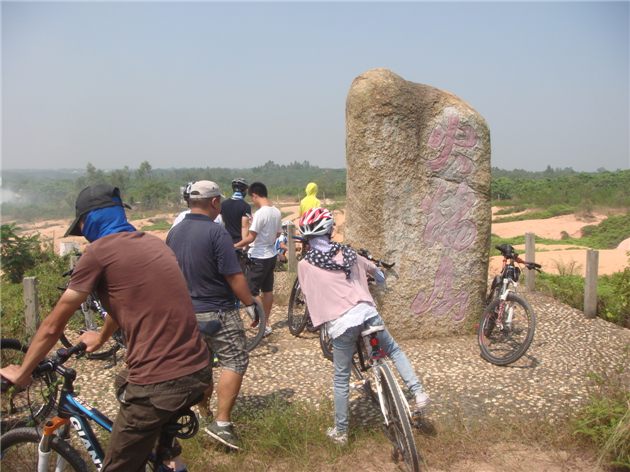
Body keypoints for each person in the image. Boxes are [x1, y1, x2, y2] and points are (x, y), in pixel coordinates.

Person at [0, 184, 211, 472]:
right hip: (198, 367)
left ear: (87, 221)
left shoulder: (98, 252)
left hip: (160, 382)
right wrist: (100, 337)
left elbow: (52, 326)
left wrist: (23, 372)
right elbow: (125, 301)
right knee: (123, 381)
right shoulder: (154, 243)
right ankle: (168, 455)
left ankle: (158, 450)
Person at [297, 207, 430, 446]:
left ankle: (341, 432)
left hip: (341, 324)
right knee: (394, 350)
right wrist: (378, 280)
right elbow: (376, 272)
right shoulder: (348, 253)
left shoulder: (306, 264)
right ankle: (418, 392)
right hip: (368, 314)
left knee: (341, 377)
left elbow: (308, 295)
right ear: (329, 231)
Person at [166, 181, 259, 450]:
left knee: (202, 365)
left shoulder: (174, 232)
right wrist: (249, 303)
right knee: (235, 360)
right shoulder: (216, 232)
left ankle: (203, 413)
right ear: (215, 202)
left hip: (186, 312)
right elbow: (233, 275)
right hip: (218, 311)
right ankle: (222, 423)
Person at [235, 182, 282, 336]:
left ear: (254, 195)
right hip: (271, 254)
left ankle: (261, 323)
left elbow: (251, 237)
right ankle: (266, 323)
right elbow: (278, 234)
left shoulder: (261, 213)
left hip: (258, 256)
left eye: (252, 198)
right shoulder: (276, 211)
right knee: (267, 290)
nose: (253, 202)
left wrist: (235, 245)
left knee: (251, 290)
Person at [221, 178, 252, 245]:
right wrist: (244, 245)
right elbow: (244, 227)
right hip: (239, 241)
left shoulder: (223, 204)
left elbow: (221, 222)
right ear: (245, 191)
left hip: (226, 240)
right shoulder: (245, 206)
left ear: (233, 190)